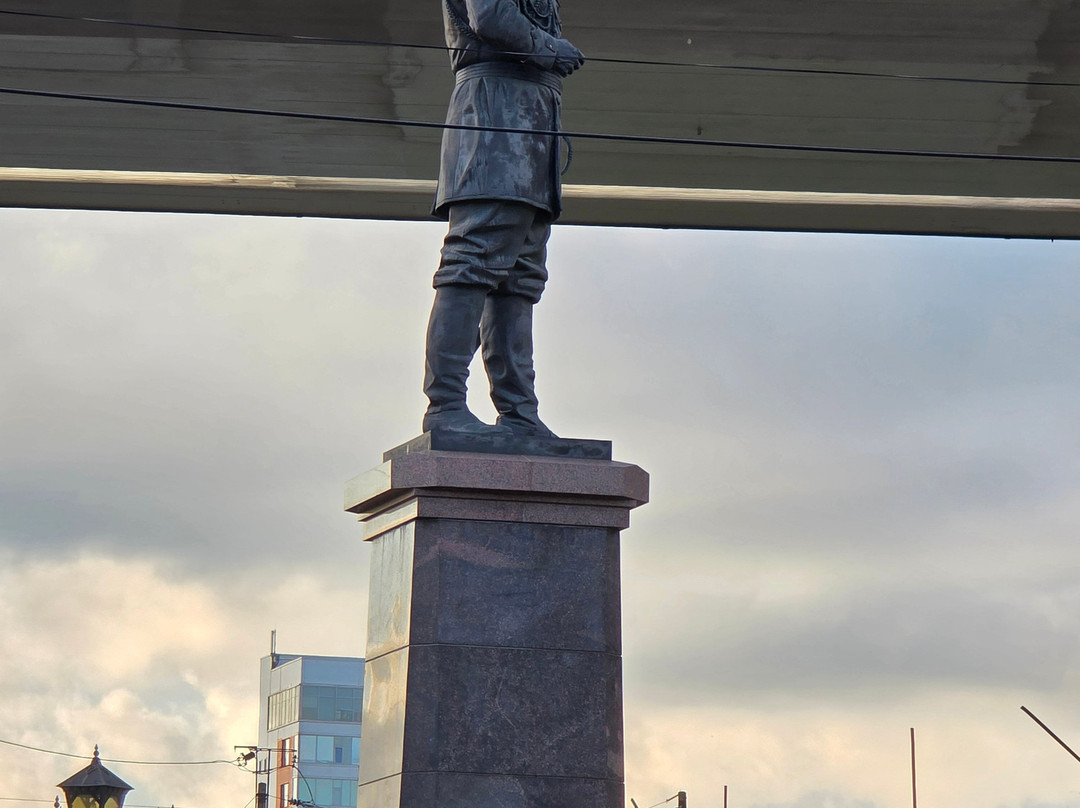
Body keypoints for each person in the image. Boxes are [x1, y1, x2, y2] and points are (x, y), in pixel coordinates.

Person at [422, 0, 585, 438]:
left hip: (531, 124)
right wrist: (551, 48)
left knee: (520, 276)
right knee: (472, 262)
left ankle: (519, 413)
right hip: (493, 117)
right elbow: (491, 17)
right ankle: (446, 405)